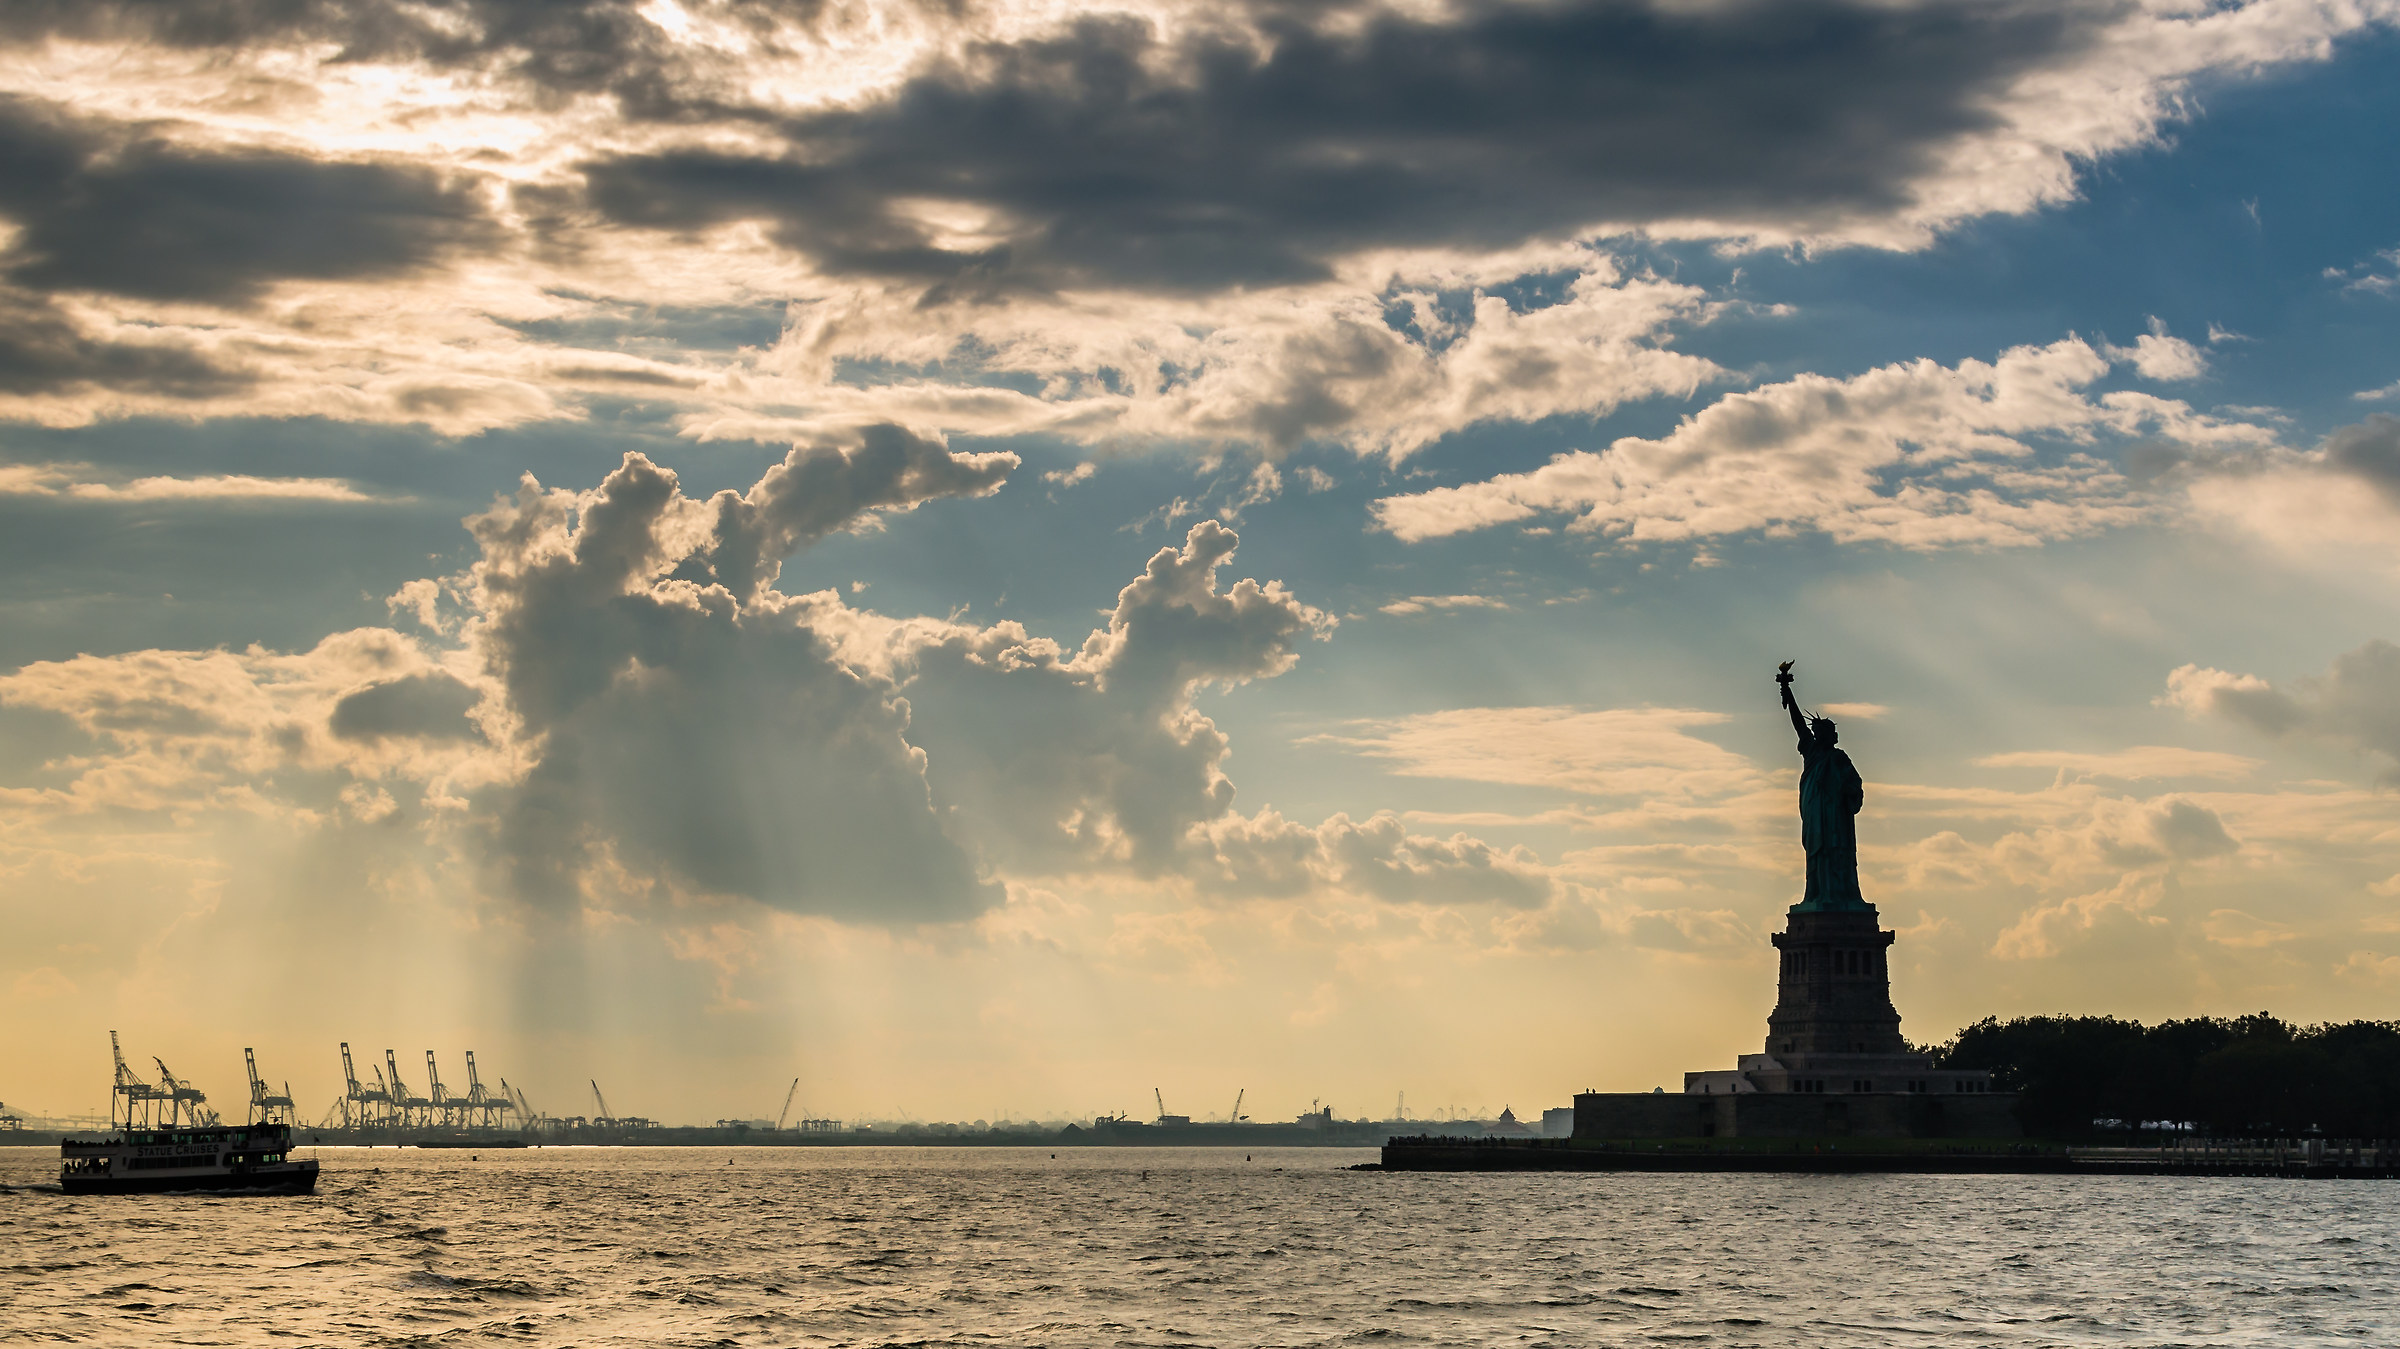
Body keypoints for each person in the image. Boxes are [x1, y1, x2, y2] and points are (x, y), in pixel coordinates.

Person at [1779, 663, 1866, 910]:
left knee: (1838, 854)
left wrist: (1847, 792)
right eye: (1829, 732)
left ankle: (1842, 896)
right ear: (1822, 735)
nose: (1833, 736)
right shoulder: (1812, 751)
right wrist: (1787, 691)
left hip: (1836, 819)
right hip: (1817, 815)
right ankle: (1818, 894)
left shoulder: (1839, 759)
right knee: (1818, 855)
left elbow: (1855, 787)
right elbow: (1798, 724)